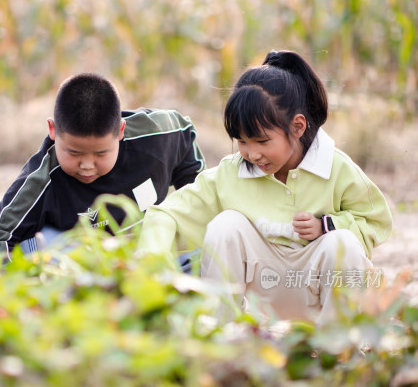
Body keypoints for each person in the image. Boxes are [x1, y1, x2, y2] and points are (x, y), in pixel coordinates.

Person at [138, 50, 392, 322]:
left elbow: (376, 221)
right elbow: (167, 214)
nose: (251, 153)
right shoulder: (231, 173)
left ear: (297, 127)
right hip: (265, 293)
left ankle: (338, 346)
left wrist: (327, 225)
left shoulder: (335, 167)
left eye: (261, 141)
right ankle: (219, 333)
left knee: (341, 243)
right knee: (226, 226)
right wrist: (147, 262)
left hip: (322, 293)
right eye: (242, 141)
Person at [0, 73, 205, 258]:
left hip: (143, 252)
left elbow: (186, 136)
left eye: (100, 153)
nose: (87, 165)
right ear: (53, 130)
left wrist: (181, 214)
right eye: (74, 153)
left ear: (121, 132)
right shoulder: (41, 180)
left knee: (202, 251)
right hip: (74, 257)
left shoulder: (158, 135)